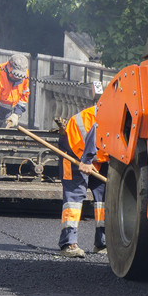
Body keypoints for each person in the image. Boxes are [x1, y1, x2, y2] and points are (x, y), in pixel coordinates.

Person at [57, 104, 105, 258]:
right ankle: (68, 243)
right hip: (74, 149)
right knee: (74, 197)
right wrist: (87, 160)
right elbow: (95, 130)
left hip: (99, 156)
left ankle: (102, 243)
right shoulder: (114, 109)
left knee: (104, 199)